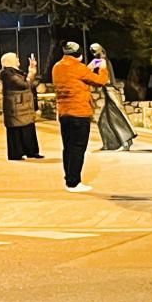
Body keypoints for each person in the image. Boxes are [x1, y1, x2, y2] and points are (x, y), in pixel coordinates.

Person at [49, 41, 109, 192]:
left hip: (64, 112)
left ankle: (69, 178)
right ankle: (74, 182)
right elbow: (100, 81)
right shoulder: (78, 68)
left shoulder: (57, 67)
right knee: (78, 148)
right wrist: (102, 68)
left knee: (68, 147)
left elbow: (78, 74)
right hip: (79, 113)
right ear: (79, 55)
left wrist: (90, 65)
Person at [88, 42, 137, 153]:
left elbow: (88, 71)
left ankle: (126, 142)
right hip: (108, 91)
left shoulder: (102, 61)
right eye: (92, 50)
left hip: (111, 91)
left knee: (117, 116)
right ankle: (110, 143)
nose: (93, 52)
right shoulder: (100, 60)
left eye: (95, 50)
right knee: (103, 120)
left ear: (101, 50)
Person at [0, 52, 43, 161]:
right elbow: (23, 85)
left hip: (24, 106)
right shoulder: (7, 74)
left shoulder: (17, 72)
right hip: (15, 107)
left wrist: (32, 72)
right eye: (16, 58)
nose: (18, 59)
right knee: (16, 130)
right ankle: (16, 153)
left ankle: (31, 151)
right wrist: (31, 73)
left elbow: (30, 85)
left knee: (28, 128)